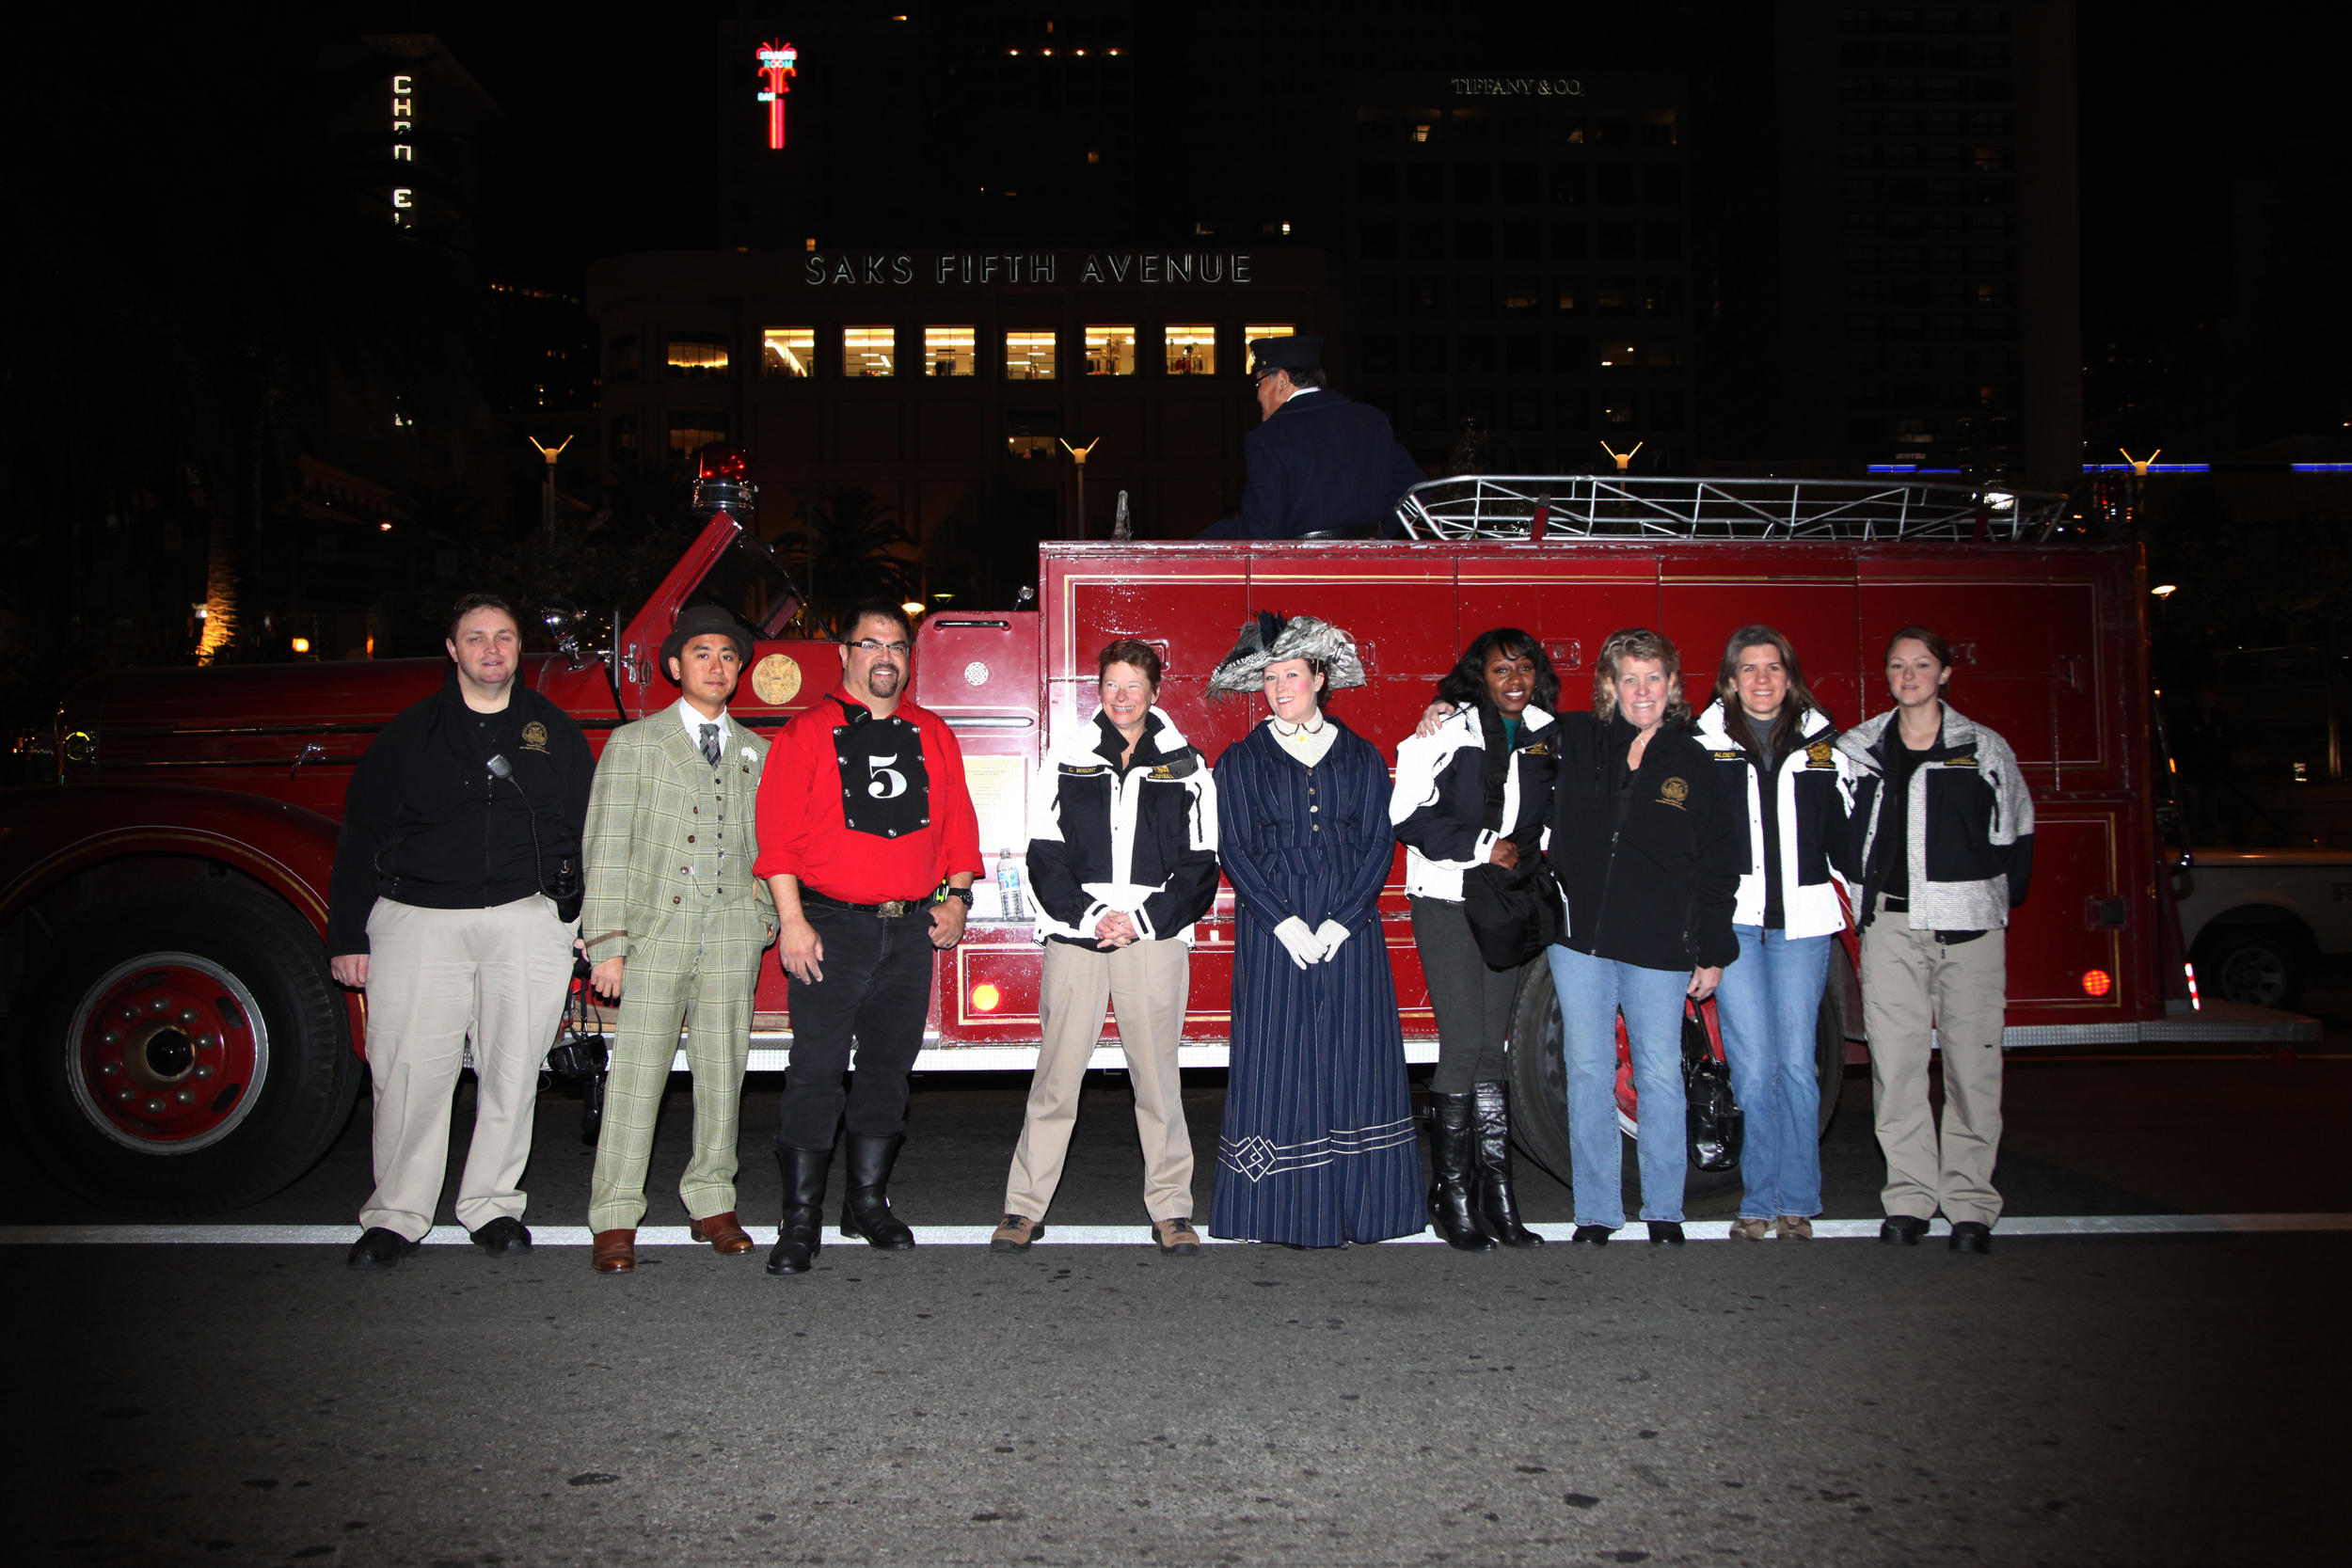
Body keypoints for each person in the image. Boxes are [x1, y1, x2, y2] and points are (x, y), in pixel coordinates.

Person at [326, 594, 593, 1271]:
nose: (492, 649)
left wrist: (586, 918)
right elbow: (362, 834)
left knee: (513, 1070)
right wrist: (347, 936)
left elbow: (588, 832)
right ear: (453, 650)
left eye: (504, 637)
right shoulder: (410, 733)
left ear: (519, 649)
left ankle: (493, 1205)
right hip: (418, 918)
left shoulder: (552, 731)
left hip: (526, 918)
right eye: (476, 638)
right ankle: (397, 1214)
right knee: (411, 1071)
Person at [754, 597, 982, 1275]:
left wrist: (959, 898)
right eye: (871, 643)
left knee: (887, 1071)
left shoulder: (934, 733)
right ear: (846, 654)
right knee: (816, 1071)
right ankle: (800, 1219)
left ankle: (866, 1202)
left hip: (908, 930)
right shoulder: (805, 733)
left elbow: (957, 827)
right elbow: (776, 839)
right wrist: (792, 920)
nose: (886, 656)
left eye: (897, 646)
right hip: (830, 928)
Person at [993, 639, 1220, 1257]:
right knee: (1057, 1078)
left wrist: (1141, 919)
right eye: (1111, 685)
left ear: (1155, 691)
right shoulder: (1067, 756)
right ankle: (1023, 1206)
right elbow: (1045, 854)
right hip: (1077, 936)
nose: (1121, 697)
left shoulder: (1186, 762)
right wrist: (1093, 916)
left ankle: (1172, 1208)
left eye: (1133, 685)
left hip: (1154, 938)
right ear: (1099, 689)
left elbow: (1202, 865)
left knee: (1158, 1080)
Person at [1205, 612, 1422, 1247]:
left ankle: (1369, 1206)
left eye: (1291, 675)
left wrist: (1343, 919)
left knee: (1357, 1058)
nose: (1279, 688)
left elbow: (1379, 844)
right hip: (1275, 927)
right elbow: (1235, 847)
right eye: (1269, 678)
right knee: (1278, 1061)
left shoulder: (1359, 755)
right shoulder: (1240, 760)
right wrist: (1285, 922)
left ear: (1319, 678)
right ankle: (1277, 1212)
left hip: (1348, 925)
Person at [577, 605, 778, 1275]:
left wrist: (762, 921)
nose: (716, 665)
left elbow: (772, 847)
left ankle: (712, 1199)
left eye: (727, 654)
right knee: (637, 1078)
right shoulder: (634, 744)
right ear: (673, 666)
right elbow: (605, 847)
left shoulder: (758, 751)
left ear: (739, 667)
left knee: (724, 1072)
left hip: (730, 932)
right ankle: (614, 1214)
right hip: (655, 932)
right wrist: (606, 942)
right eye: (701, 653)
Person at [1836, 625, 2033, 1255]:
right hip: (1891, 925)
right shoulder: (1860, 747)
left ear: (1946, 673)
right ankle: (1911, 1198)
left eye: (1922, 664)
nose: (1910, 675)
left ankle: (1971, 1202)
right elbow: (1837, 831)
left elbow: (2016, 834)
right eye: (1898, 666)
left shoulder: (1982, 747)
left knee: (1974, 1069)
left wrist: (1987, 899)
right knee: (1896, 1069)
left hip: (1968, 929)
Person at [1545, 627, 1740, 1247]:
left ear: (1673, 687)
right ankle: (1597, 1211)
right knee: (1587, 1069)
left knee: (1658, 1073)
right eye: (1629, 677)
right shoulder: (1577, 738)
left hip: (1658, 944)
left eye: (1653, 677)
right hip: (1580, 943)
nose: (1642, 690)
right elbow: (1505, 724)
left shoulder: (1696, 763)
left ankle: (1664, 1209)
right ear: (1609, 686)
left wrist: (1712, 950)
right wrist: (1445, 712)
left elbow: (1718, 864)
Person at [1391, 628, 1560, 1251]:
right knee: (1462, 1043)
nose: (1514, 679)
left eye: (1523, 667)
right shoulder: (1446, 731)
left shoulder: (1548, 734)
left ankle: (1499, 1198)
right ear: (1479, 677)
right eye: (1499, 669)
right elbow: (1405, 813)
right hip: (1446, 897)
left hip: (1507, 903)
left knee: (1495, 1047)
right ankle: (1452, 1194)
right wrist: (1483, 846)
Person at [1692, 626, 1856, 1244]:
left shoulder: (1827, 746)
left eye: (1774, 667)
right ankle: (1758, 1199)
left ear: (1790, 676)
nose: (1762, 679)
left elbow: (1849, 837)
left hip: (1805, 927)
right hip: (1735, 926)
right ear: (1730, 681)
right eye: (1749, 669)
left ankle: (1800, 1200)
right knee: (1754, 1069)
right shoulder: (1703, 744)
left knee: (1798, 1065)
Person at [1195, 336, 1424, 540]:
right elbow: (1415, 491)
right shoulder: (1372, 420)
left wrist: (1215, 534)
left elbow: (1262, 531)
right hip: (1370, 566)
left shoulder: (1267, 437)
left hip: (1307, 572)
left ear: (1283, 380)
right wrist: (1378, 533)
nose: (1257, 395)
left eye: (1259, 382)